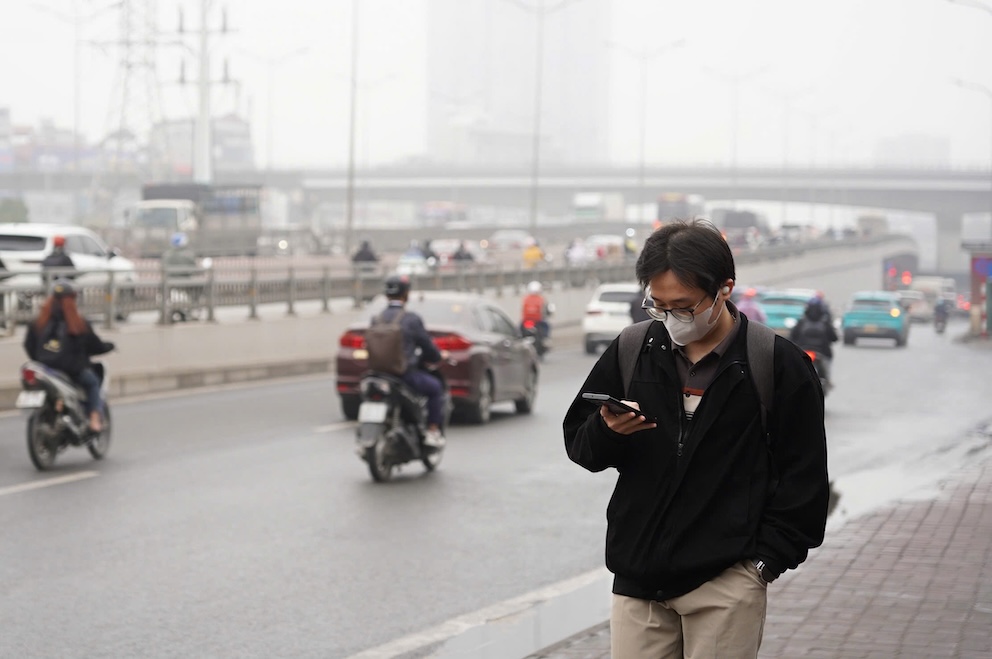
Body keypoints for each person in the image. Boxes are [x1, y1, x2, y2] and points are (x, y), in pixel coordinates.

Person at [563, 219, 828, 659]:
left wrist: (761, 566)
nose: (671, 320)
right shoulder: (632, 350)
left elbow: (804, 480)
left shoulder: (776, 365)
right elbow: (581, 447)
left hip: (726, 584)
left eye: (683, 307)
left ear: (725, 288)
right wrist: (607, 431)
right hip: (638, 585)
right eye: (658, 306)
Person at [23, 280, 115, 433]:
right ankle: (94, 419)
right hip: (72, 371)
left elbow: (28, 345)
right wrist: (109, 347)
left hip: (44, 370)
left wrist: (40, 359)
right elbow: (94, 345)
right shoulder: (78, 323)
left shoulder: (38, 322)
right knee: (93, 383)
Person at [377, 275, 445, 449]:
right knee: (435, 388)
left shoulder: (377, 318)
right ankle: (432, 430)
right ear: (406, 294)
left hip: (378, 375)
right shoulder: (411, 319)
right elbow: (428, 347)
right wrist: (438, 357)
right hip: (403, 376)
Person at [790, 297, 838, 383]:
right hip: (823, 353)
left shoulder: (801, 322)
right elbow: (834, 338)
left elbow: (792, 336)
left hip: (803, 352)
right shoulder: (825, 323)